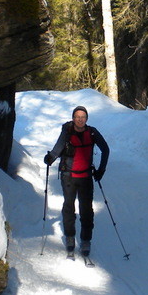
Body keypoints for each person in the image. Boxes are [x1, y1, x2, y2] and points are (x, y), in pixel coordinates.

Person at [44, 106, 110, 260]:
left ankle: (86, 240)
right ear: (73, 118)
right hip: (68, 176)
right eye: (77, 116)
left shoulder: (92, 132)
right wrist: (50, 158)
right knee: (69, 207)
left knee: (86, 210)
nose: (80, 119)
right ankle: (70, 237)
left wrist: (101, 170)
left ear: (86, 119)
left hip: (86, 176)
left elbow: (106, 149)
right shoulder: (67, 132)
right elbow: (58, 148)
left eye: (83, 117)